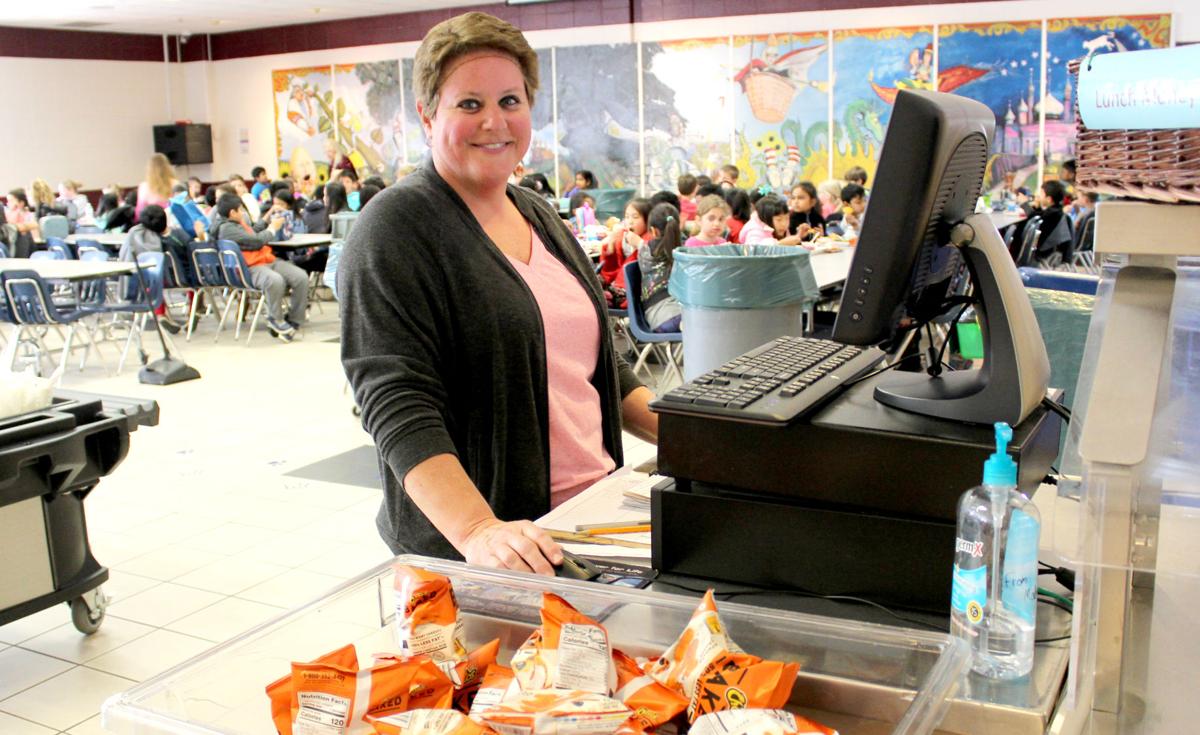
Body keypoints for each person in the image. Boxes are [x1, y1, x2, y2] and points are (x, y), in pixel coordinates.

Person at [340, 11, 654, 573]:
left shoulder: (535, 211)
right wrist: (478, 530)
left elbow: (595, 364)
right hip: (488, 551)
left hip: (589, 521)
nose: (495, 121)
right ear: (427, 114)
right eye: (470, 104)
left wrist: (704, 436)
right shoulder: (395, 227)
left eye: (510, 101)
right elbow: (397, 402)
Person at [214, 193, 309, 342]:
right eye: (240, 210)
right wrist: (272, 229)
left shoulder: (239, 224)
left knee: (301, 277)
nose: (243, 212)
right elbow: (257, 241)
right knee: (275, 280)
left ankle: (294, 319)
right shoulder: (227, 229)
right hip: (251, 268)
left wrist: (269, 214)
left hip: (268, 260)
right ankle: (275, 319)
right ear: (232, 213)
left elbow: (254, 230)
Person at [637, 202, 683, 332]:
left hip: (658, 318)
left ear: (653, 230)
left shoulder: (647, 251)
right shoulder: (684, 250)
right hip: (684, 313)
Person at [598, 197, 650, 308]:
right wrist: (610, 247)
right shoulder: (622, 235)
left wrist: (640, 244)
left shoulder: (649, 240)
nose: (630, 221)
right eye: (627, 217)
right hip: (616, 282)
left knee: (596, 294)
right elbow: (611, 269)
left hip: (632, 290)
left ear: (647, 220)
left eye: (635, 217)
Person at [137, 153, 177, 221]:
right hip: (172, 224)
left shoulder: (144, 187)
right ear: (167, 166)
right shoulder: (176, 184)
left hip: (152, 226)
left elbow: (139, 213)